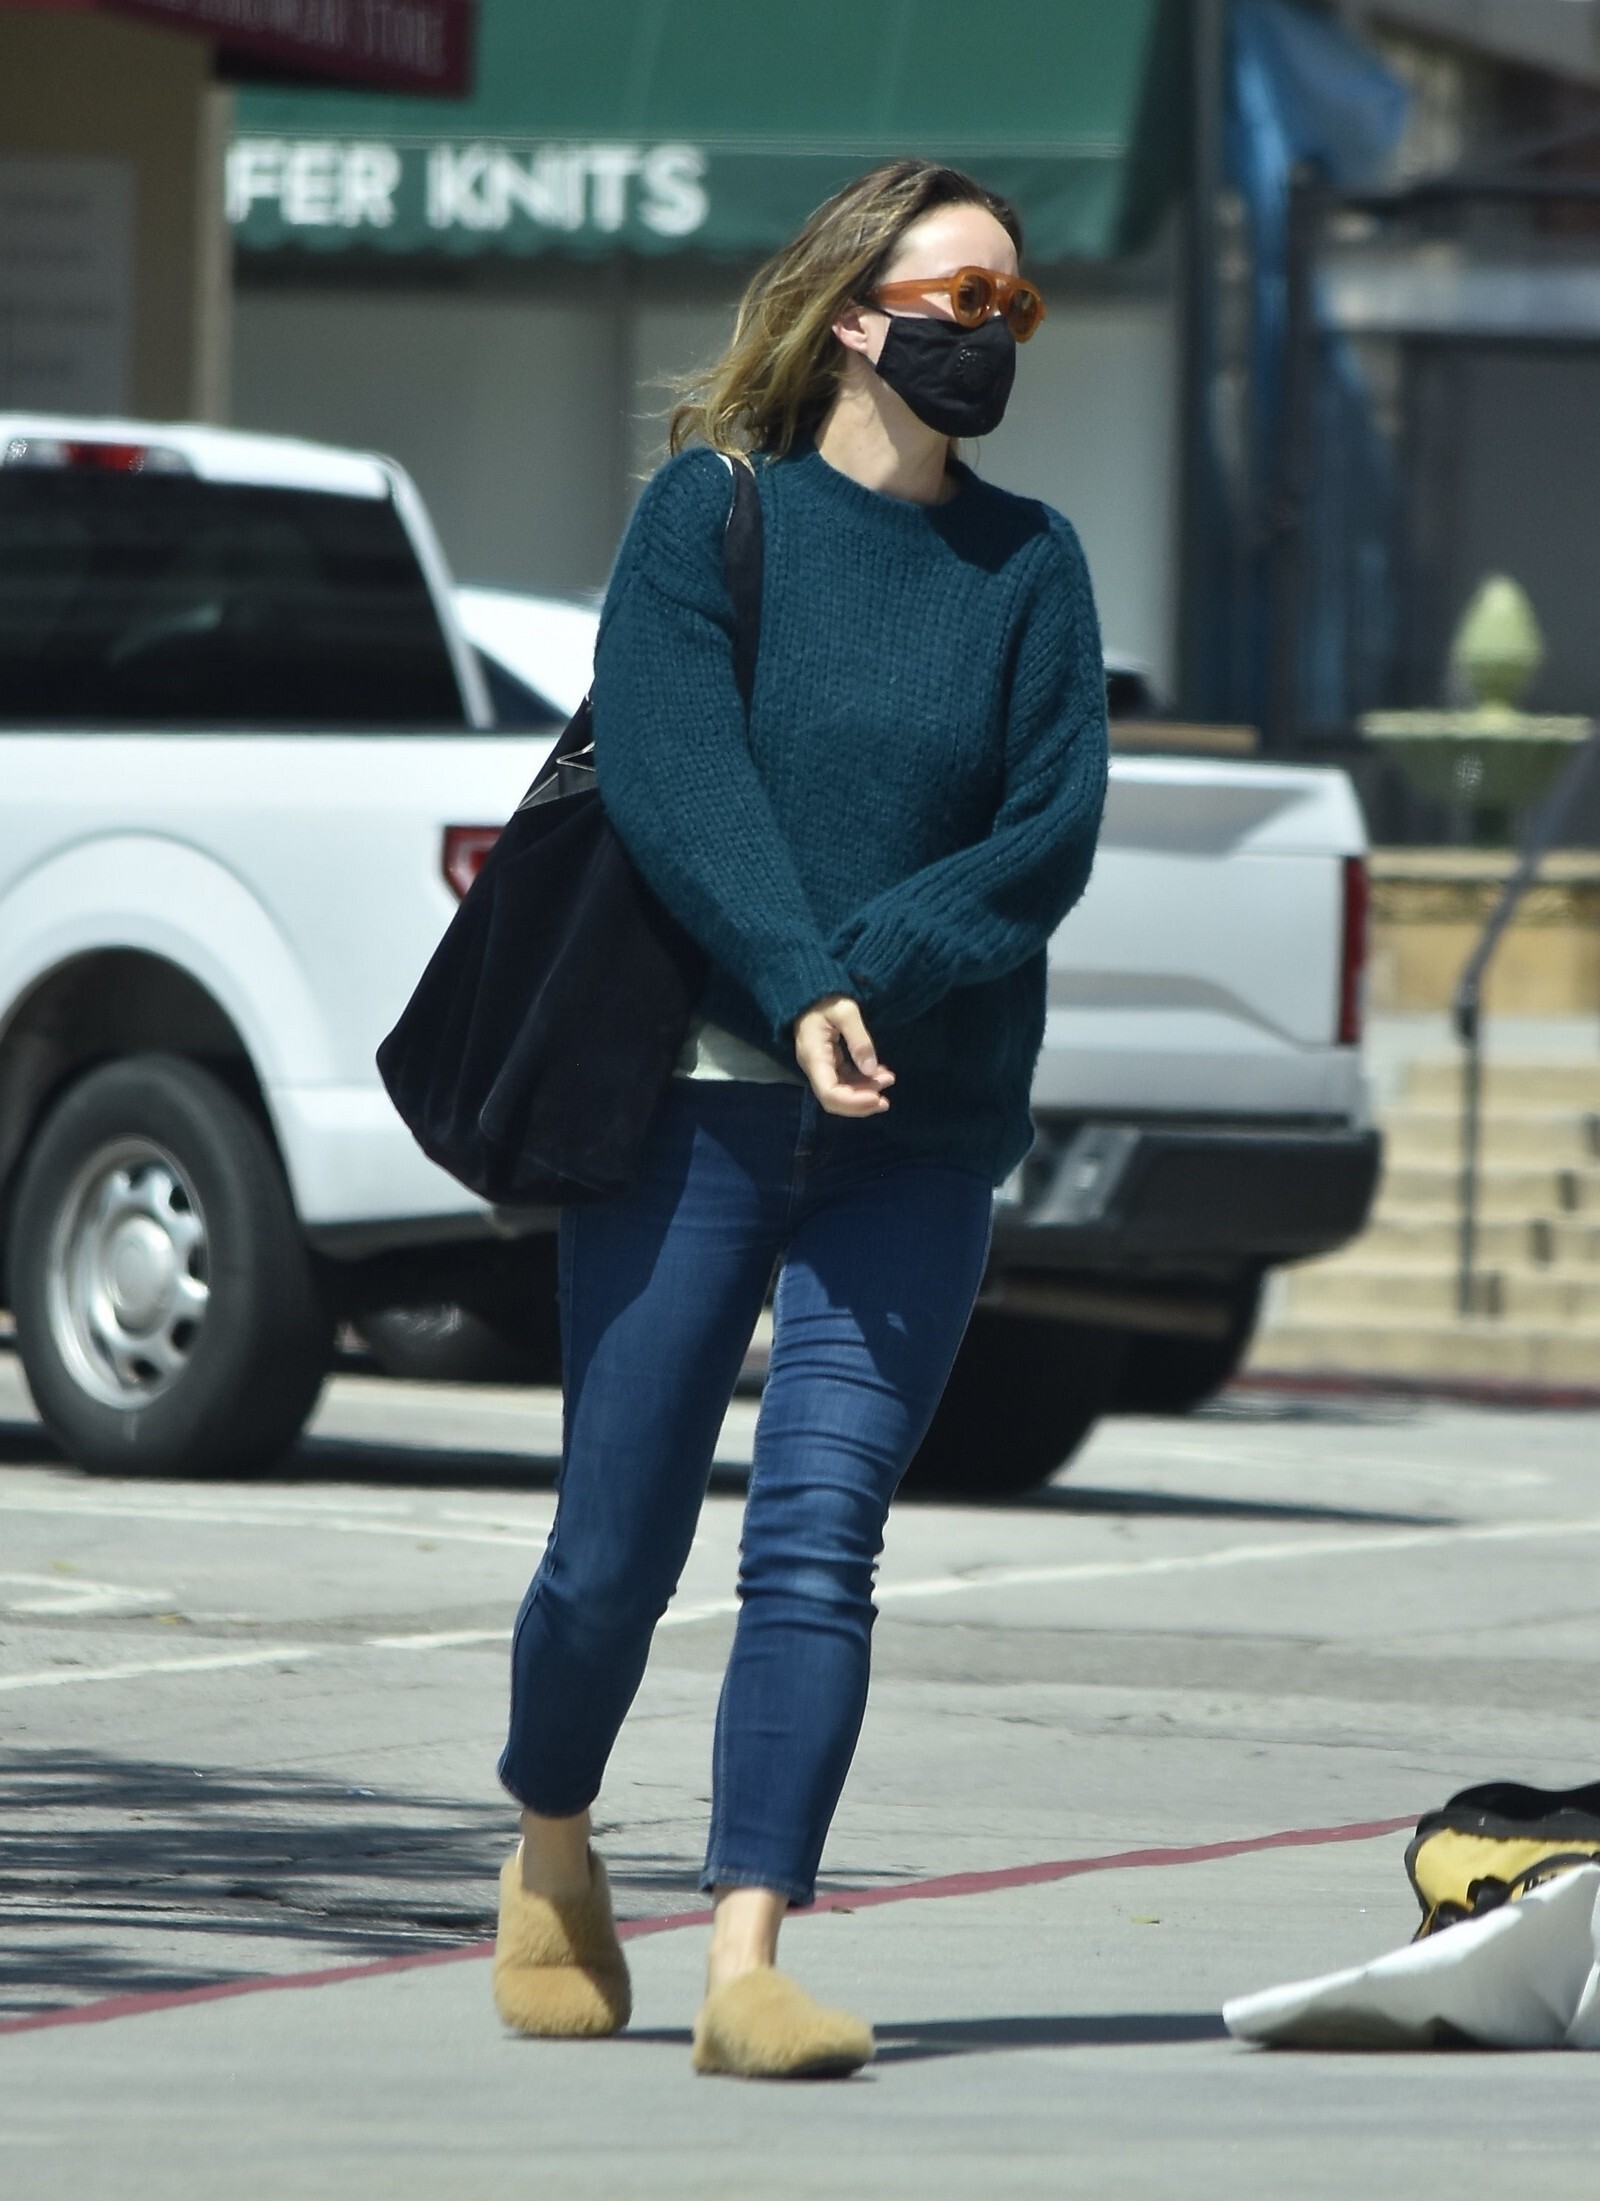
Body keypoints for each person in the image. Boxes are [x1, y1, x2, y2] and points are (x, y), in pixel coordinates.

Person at [491, 157, 1108, 2080]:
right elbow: (677, 774)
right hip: (698, 1107)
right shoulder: (712, 513)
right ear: (855, 316)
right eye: (961, 298)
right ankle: (553, 1835)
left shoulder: (1032, 566)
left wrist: (879, 974)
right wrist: (794, 980)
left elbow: (1048, 830)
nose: (992, 334)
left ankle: (746, 1954)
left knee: (820, 1535)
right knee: (613, 1547)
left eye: (1014, 305)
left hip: (919, 1128)